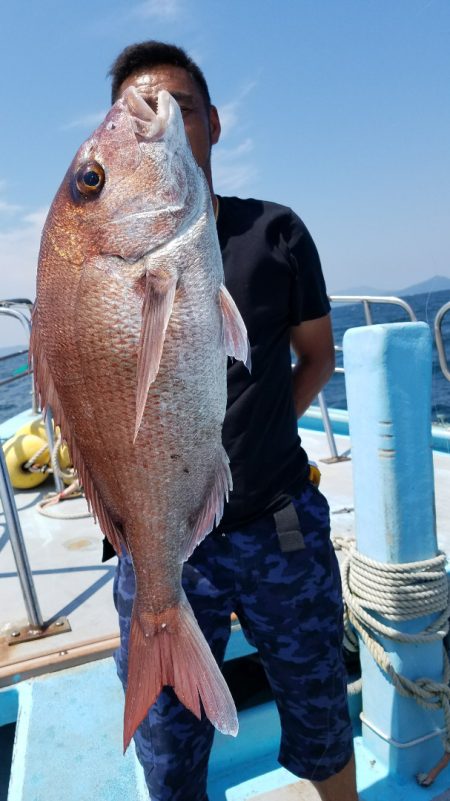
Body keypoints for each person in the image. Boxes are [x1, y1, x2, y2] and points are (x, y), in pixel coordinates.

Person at [103, 40, 359, 801]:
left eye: (176, 110)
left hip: (278, 522)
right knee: (168, 749)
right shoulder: (113, 260)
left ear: (212, 124)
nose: (158, 129)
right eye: (135, 119)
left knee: (321, 710)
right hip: (165, 549)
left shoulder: (274, 232)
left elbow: (317, 357)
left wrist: (261, 435)